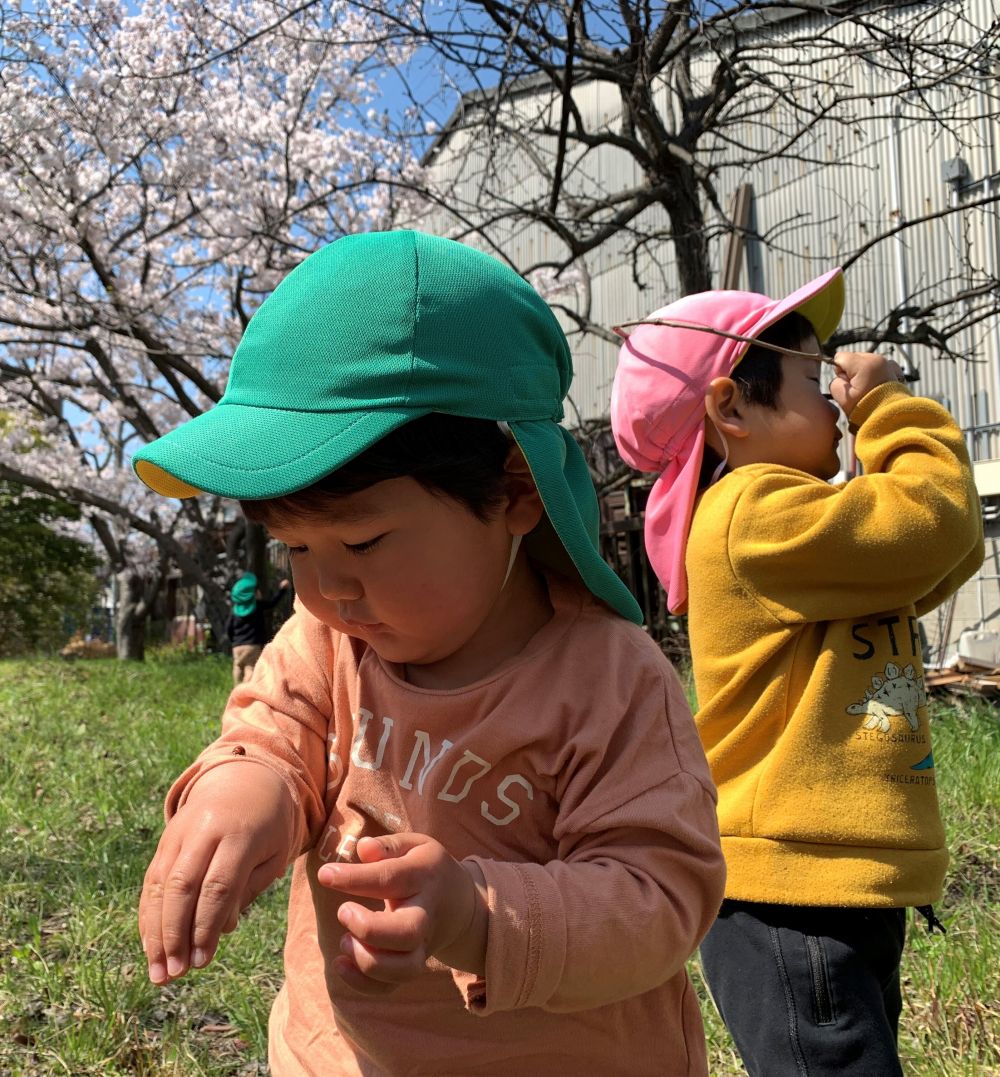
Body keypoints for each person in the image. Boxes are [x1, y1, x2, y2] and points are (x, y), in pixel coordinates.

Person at [132, 230, 726, 1076]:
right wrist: (240, 791)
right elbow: (272, 732)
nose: (327, 589)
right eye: (297, 551)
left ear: (514, 492)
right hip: (334, 1052)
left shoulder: (608, 680)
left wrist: (477, 914)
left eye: (365, 543)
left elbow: (662, 895)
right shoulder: (329, 642)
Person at [610, 268, 984, 1076]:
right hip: (791, 899)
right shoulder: (753, 515)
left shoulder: (791, 515)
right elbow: (936, 520)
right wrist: (888, 407)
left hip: (826, 888)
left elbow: (938, 550)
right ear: (731, 407)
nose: (836, 401)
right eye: (815, 379)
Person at [225, 571, 290, 684]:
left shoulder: (234, 611)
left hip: (237, 647)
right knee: (250, 667)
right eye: (256, 590)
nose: (259, 592)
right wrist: (282, 590)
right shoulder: (258, 606)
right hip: (252, 645)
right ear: (251, 594)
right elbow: (272, 603)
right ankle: (246, 692)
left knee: (237, 666)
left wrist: (234, 641)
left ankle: (237, 688)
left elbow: (228, 628)